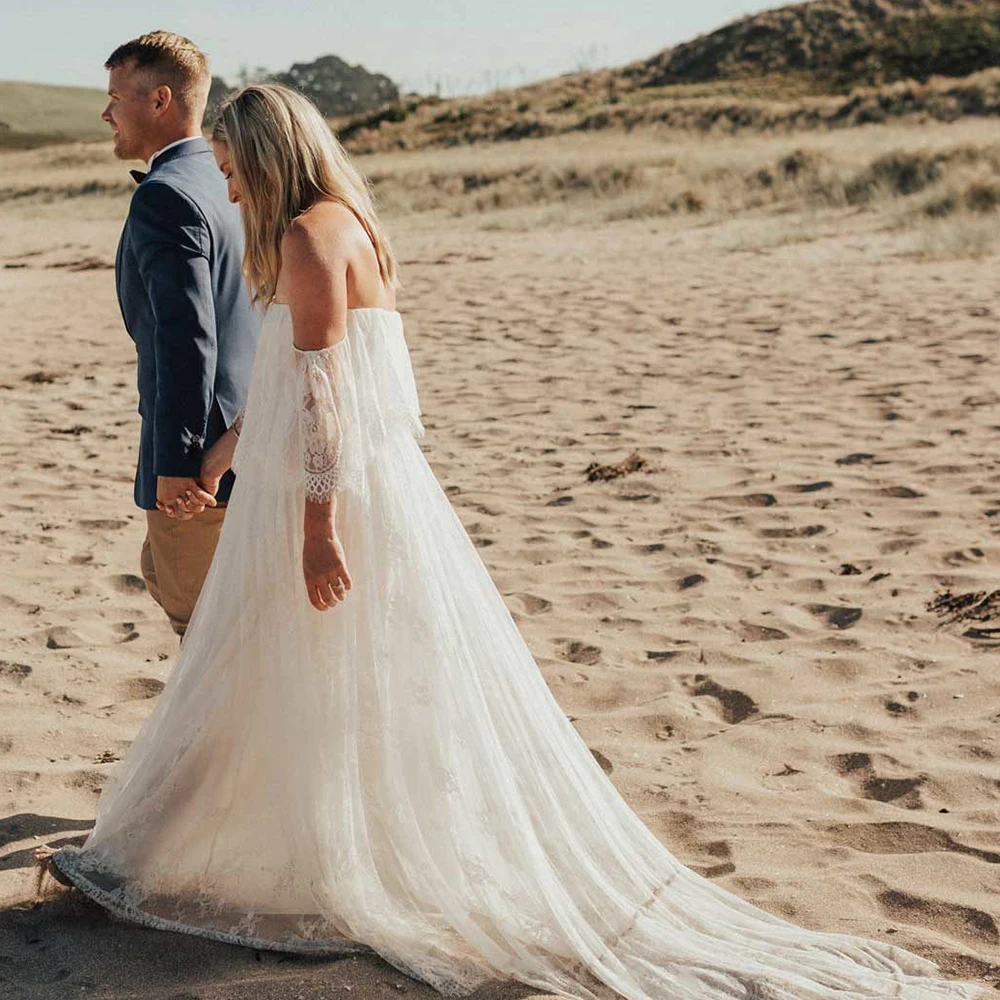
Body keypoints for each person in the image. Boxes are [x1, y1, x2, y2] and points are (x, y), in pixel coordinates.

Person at [35, 84, 989, 1000]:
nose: (229, 184)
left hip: (326, 501)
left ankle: (254, 855)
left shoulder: (307, 238)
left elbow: (326, 407)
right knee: (297, 675)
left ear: (273, 158)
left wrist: (317, 529)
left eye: (238, 166)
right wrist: (216, 464)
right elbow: (292, 385)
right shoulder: (348, 227)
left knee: (289, 668)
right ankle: (260, 843)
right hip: (325, 487)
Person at [101, 30, 259, 638]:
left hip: (202, 471)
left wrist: (178, 462)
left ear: (159, 99)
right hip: (253, 442)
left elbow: (185, 343)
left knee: (204, 633)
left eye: (117, 96)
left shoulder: (165, 196)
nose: (107, 111)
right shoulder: (232, 185)